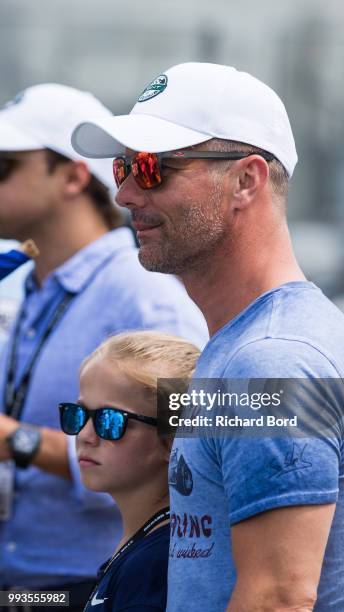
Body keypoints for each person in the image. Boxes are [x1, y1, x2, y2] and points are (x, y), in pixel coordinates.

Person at [72, 62, 344, 611]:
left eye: (152, 169)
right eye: (122, 167)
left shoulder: (272, 357)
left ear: (247, 179)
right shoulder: (269, 339)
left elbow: (276, 598)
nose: (124, 193)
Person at [0, 83, 207, 609]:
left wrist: (20, 441)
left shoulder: (144, 291)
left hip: (94, 584)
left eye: (5, 166)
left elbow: (180, 452)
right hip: (28, 583)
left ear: (71, 176)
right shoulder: (28, 283)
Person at [59, 330, 200, 612]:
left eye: (110, 421)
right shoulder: (149, 543)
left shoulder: (156, 566)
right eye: (78, 413)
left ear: (171, 441)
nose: (85, 435)